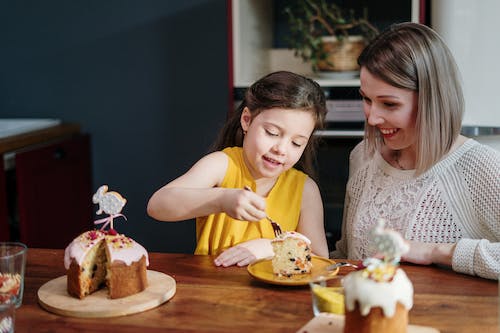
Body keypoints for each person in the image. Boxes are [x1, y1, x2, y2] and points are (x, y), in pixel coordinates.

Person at [331, 22, 500, 280]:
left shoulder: (480, 167)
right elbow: (346, 255)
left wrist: (434, 252)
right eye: (366, 99)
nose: (373, 118)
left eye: (389, 104)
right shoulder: (363, 155)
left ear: (431, 100)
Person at [148, 71, 329, 267]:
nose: (281, 149)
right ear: (247, 120)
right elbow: (157, 205)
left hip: (277, 296)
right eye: (272, 133)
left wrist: (272, 247)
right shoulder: (222, 165)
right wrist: (221, 199)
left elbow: (320, 258)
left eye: (296, 143)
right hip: (215, 288)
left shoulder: (305, 190)